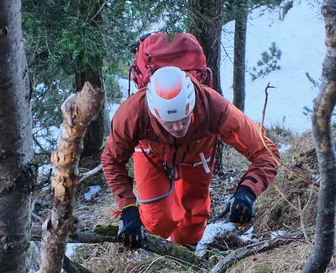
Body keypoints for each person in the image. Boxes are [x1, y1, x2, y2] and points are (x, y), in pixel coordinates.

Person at [101, 62, 280, 249]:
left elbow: (266, 151)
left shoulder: (213, 106)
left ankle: (186, 254)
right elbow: (111, 160)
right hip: (150, 151)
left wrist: (247, 192)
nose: (178, 128)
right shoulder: (132, 114)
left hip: (197, 150)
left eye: (184, 118)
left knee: (192, 222)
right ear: (155, 114)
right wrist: (128, 207)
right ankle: (151, 253)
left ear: (192, 105)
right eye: (169, 123)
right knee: (157, 221)